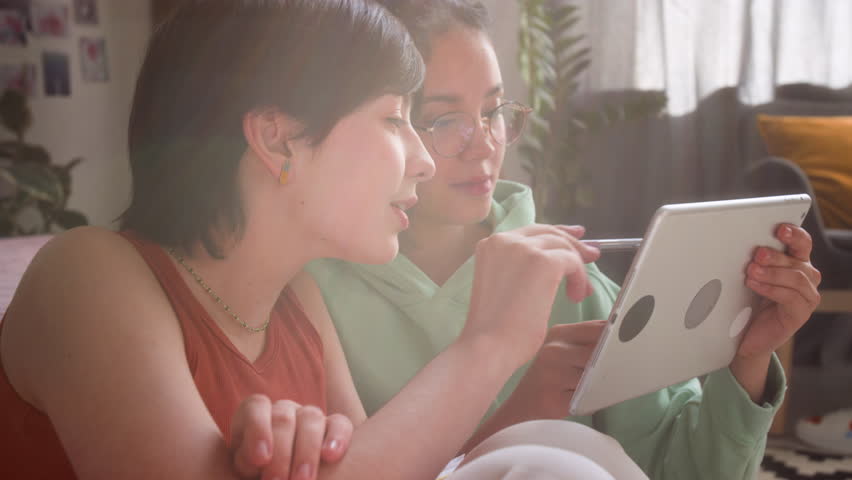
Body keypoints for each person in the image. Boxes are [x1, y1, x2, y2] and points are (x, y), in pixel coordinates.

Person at [0, 1, 650, 479]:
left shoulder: (298, 304)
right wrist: (487, 345)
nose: (423, 161)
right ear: (277, 139)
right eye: (396, 119)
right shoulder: (89, 274)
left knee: (567, 453)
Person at [306, 1, 824, 478]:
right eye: (443, 120)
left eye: (493, 111)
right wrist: (519, 415)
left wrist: (749, 359)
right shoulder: (309, 294)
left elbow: (683, 470)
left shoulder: (573, 284)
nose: (485, 143)